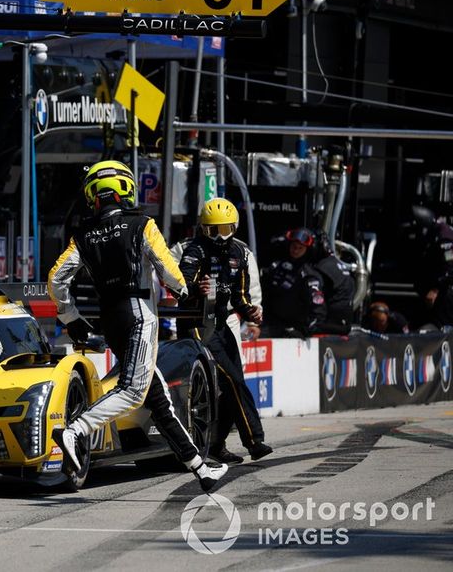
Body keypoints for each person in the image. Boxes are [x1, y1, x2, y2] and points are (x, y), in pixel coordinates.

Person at [47, 160, 227, 492]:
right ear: (126, 189)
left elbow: (56, 281)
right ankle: (74, 431)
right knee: (133, 391)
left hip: (110, 318)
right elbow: (169, 270)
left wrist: (71, 318)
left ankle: (200, 468)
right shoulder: (142, 224)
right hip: (139, 314)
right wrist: (184, 290)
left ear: (93, 195)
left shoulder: (82, 235)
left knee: (158, 400)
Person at [176, 198, 271, 465]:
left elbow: (241, 295)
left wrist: (250, 311)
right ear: (203, 228)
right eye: (212, 229)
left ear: (235, 227)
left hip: (222, 322)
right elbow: (181, 282)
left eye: (225, 228)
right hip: (196, 323)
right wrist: (196, 288)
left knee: (234, 381)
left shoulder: (240, 253)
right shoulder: (192, 249)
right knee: (230, 379)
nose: (219, 235)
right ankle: (254, 440)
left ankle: (219, 444)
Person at [261, 227, 327, 336]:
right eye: (294, 246)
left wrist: (306, 331)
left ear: (307, 249)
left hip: (293, 329)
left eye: (300, 248)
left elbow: (318, 308)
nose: (295, 250)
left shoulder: (310, 276)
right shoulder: (276, 266)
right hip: (269, 322)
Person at [409, 206, 453, 329]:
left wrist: (435, 289)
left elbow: (450, 267)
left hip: (444, 294)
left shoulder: (444, 236)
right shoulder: (432, 234)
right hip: (429, 293)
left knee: (442, 329)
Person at [310, 234, 355, 334]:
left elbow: (316, 300)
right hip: (344, 324)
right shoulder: (336, 264)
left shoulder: (321, 268)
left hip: (330, 326)